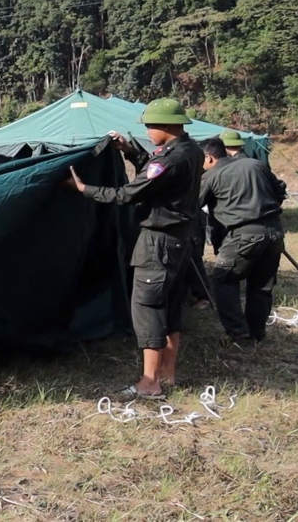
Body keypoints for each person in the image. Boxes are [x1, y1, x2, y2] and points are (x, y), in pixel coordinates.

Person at [63, 98, 203, 400]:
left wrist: (84, 190)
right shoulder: (191, 150)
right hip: (180, 239)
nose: (148, 132)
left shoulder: (169, 159)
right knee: (170, 304)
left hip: (159, 241)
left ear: (166, 126)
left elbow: (129, 193)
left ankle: (149, 382)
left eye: (150, 126)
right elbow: (155, 178)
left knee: (148, 307)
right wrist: (131, 151)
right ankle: (167, 372)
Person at [200, 138, 287, 343]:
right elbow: (280, 189)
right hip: (275, 230)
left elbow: (191, 204)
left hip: (244, 233)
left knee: (223, 277)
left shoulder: (211, 176)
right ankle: (257, 333)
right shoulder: (255, 164)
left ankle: (239, 334)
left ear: (208, 158)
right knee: (261, 285)